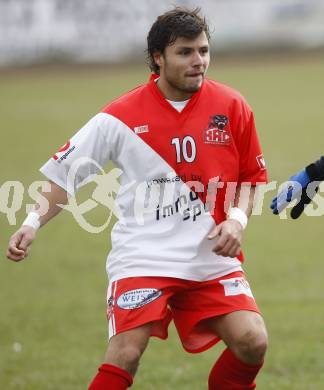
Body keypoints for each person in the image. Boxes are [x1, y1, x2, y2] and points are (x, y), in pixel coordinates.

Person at [7, 7, 269, 390]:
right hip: (144, 257)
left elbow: (250, 178)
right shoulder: (119, 116)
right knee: (126, 354)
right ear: (158, 58)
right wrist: (31, 224)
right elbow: (65, 174)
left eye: (204, 50)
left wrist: (236, 220)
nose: (199, 62)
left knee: (253, 341)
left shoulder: (232, 106)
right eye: (185, 52)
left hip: (210, 258)